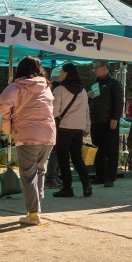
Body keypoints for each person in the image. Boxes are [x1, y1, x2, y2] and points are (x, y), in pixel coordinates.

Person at [0, 57, 55, 226]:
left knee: (28, 175)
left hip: (27, 134)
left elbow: (3, 103)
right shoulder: (46, 87)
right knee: (40, 171)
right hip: (48, 135)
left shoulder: (17, 86)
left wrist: (8, 117)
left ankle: (32, 213)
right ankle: (36, 209)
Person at [52, 63, 92, 198]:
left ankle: (67, 188)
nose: (61, 74)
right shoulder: (83, 91)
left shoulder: (59, 90)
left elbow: (54, 112)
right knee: (77, 158)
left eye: (62, 72)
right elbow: (86, 111)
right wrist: (86, 127)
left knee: (63, 159)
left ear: (67, 73)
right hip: (78, 129)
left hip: (64, 128)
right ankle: (87, 186)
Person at [87, 59, 124, 187]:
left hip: (109, 122)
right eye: (93, 68)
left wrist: (115, 118)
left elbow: (119, 103)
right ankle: (100, 176)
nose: (94, 70)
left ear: (104, 68)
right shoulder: (94, 84)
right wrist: (88, 97)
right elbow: (90, 103)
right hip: (96, 122)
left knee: (111, 151)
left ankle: (110, 178)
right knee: (98, 150)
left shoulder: (114, 83)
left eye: (95, 67)